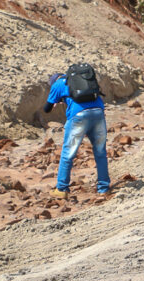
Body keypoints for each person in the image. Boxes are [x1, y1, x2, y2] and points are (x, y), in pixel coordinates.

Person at [44, 65, 110, 197]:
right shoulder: (81, 80)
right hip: (98, 112)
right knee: (100, 152)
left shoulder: (57, 85)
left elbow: (47, 109)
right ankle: (104, 189)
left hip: (78, 116)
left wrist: (60, 99)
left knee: (68, 153)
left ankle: (61, 189)